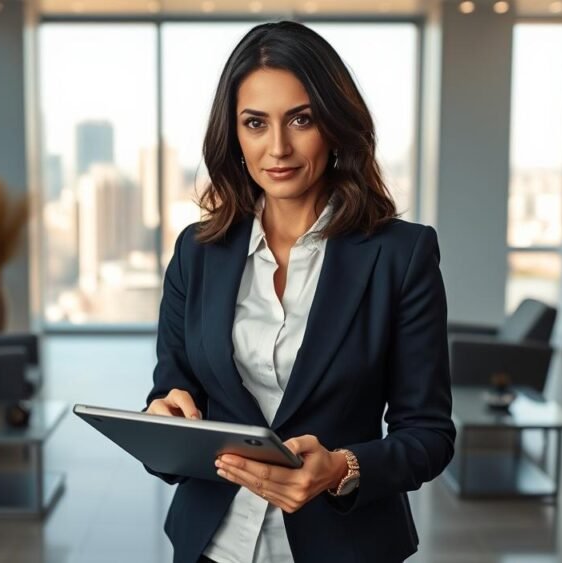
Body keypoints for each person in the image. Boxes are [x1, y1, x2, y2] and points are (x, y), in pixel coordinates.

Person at [145, 21, 455, 563]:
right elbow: (175, 394)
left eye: (301, 119)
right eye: (255, 123)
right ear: (234, 134)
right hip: (211, 546)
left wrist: (342, 469)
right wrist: (164, 421)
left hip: (344, 546)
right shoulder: (197, 252)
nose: (278, 147)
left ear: (334, 125)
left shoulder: (401, 256)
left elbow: (428, 434)